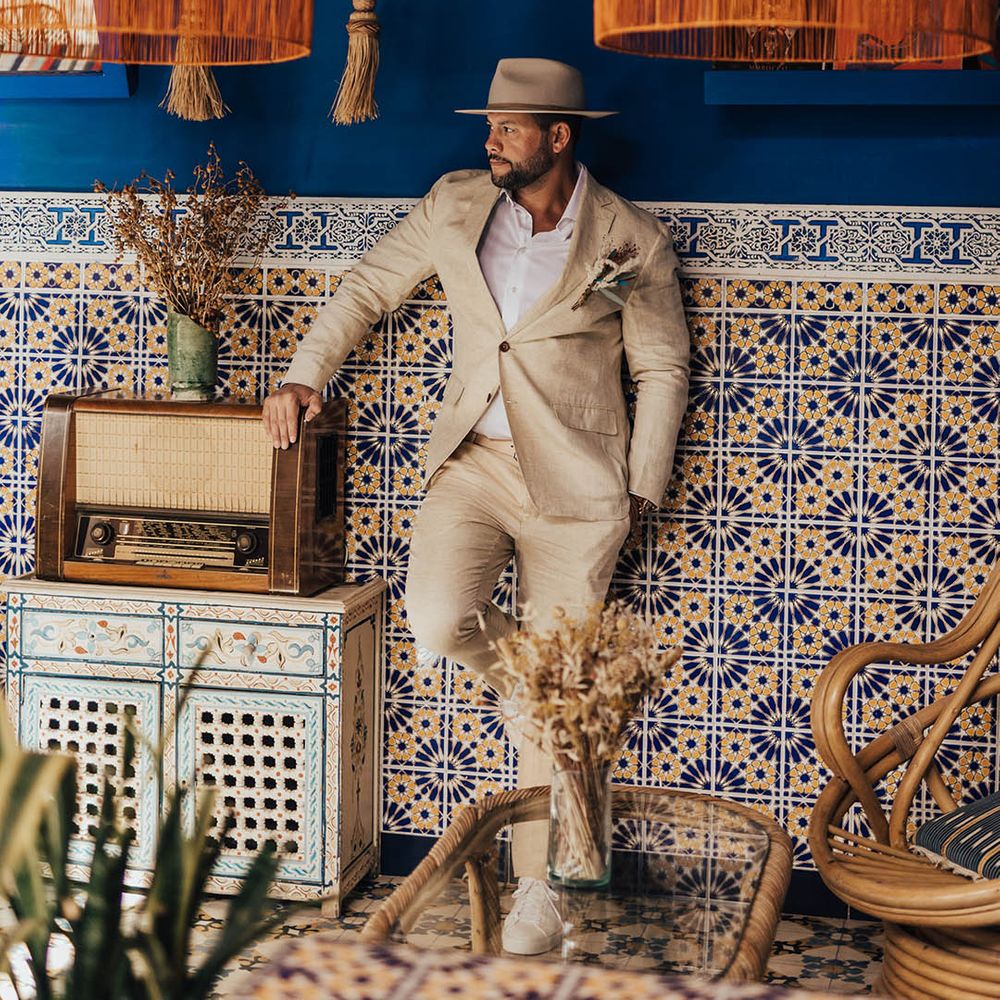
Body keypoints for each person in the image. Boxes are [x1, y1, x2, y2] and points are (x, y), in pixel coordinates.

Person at [262, 57, 690, 955]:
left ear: (559, 137)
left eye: (507, 128)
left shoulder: (631, 237)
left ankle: (543, 889)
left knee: (559, 675)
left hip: (580, 487)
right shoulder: (455, 204)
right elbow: (367, 288)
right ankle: (544, 703)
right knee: (441, 620)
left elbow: (660, 366)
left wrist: (644, 486)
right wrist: (305, 374)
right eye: (488, 125)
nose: (488, 140)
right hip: (472, 464)